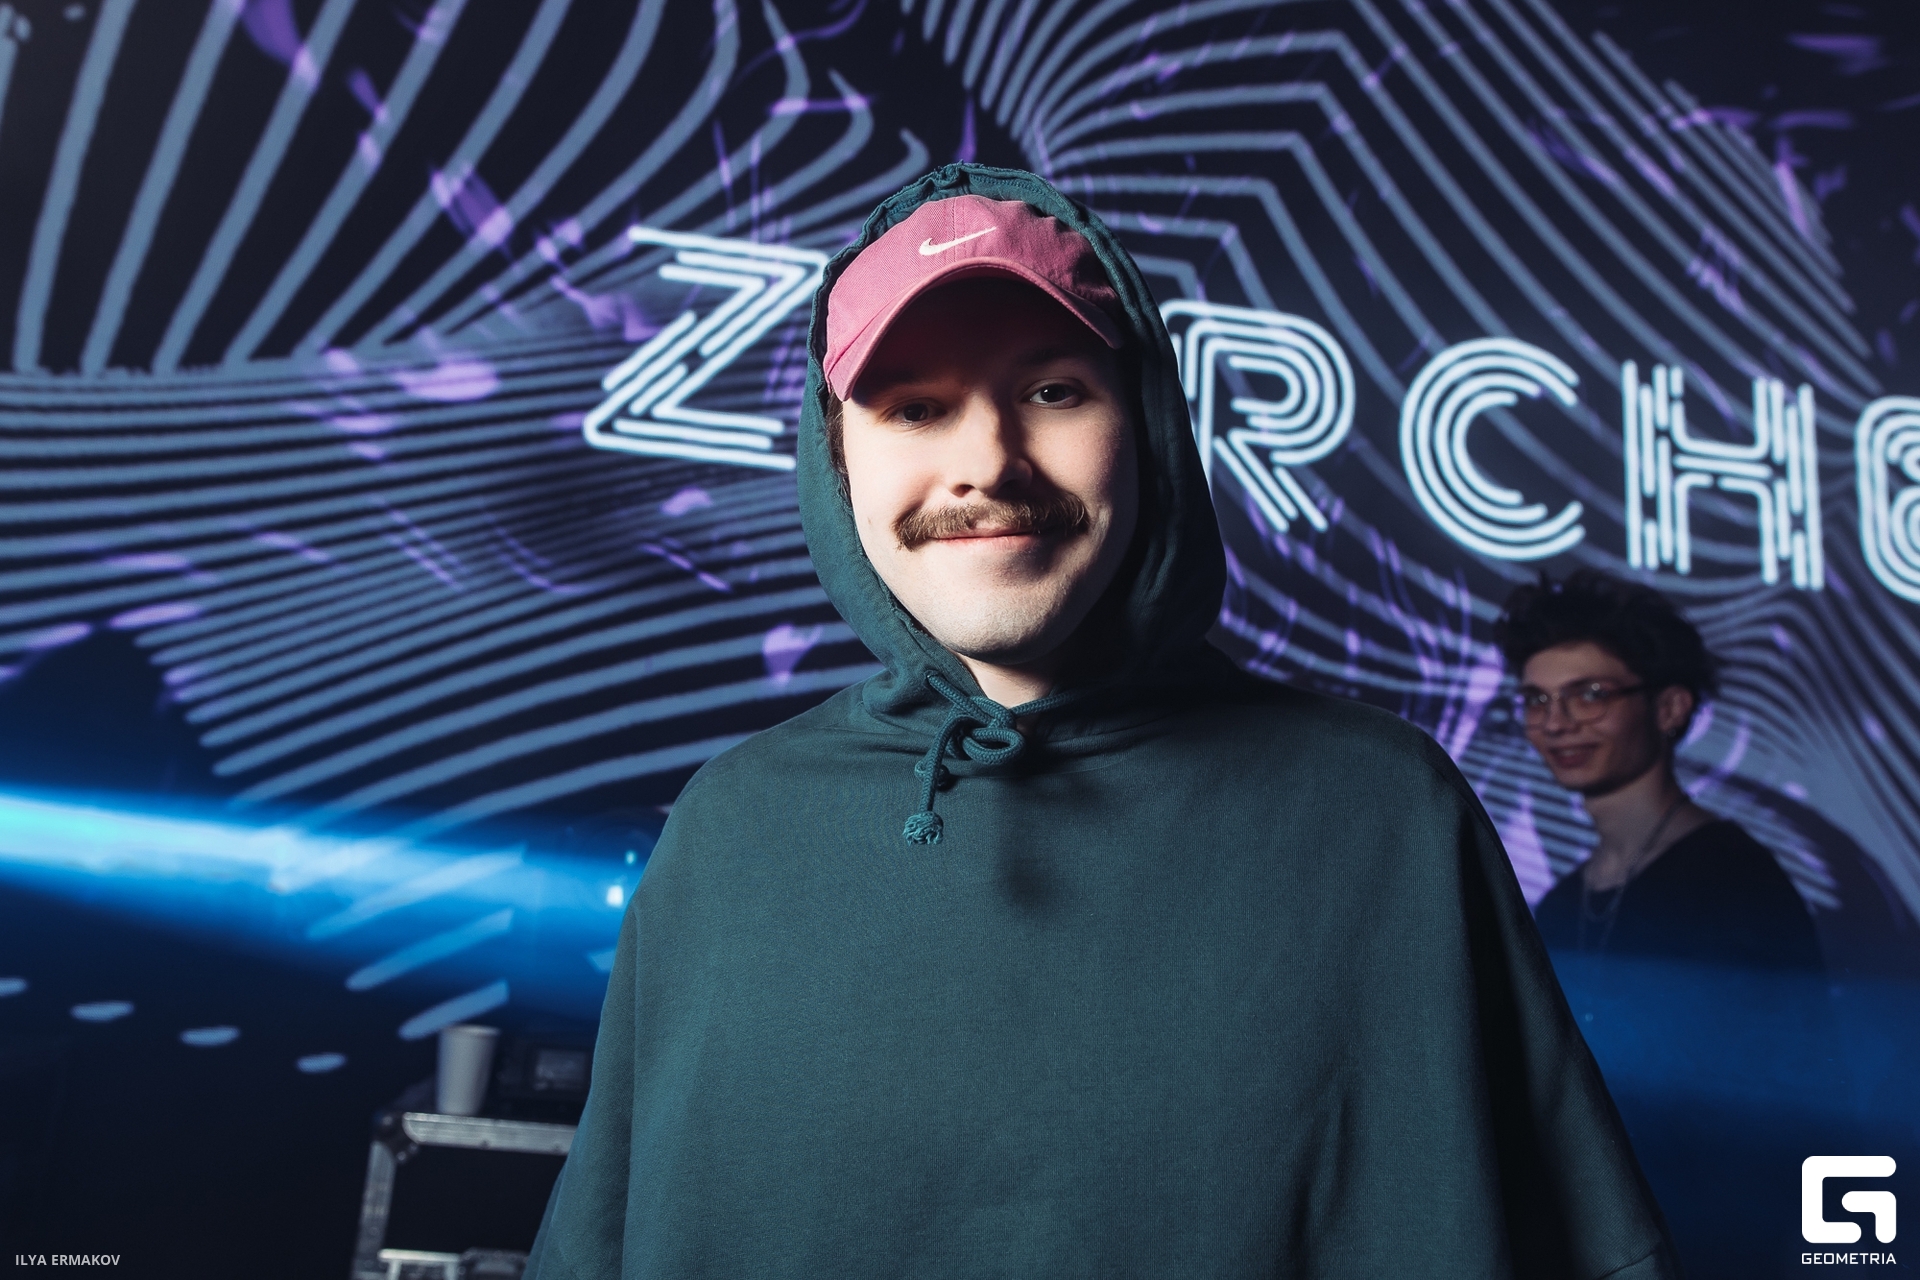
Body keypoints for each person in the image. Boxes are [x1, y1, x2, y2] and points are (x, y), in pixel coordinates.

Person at [524, 165, 1677, 1278]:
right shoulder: (734, 833)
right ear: (836, 463)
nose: (987, 462)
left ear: (1150, 425)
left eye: (1052, 391)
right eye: (915, 406)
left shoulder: (1382, 814)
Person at [1495, 570, 1823, 972]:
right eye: (1536, 700)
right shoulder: (1560, 905)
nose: (1555, 723)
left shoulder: (1733, 880)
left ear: (1669, 708)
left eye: (1590, 695)